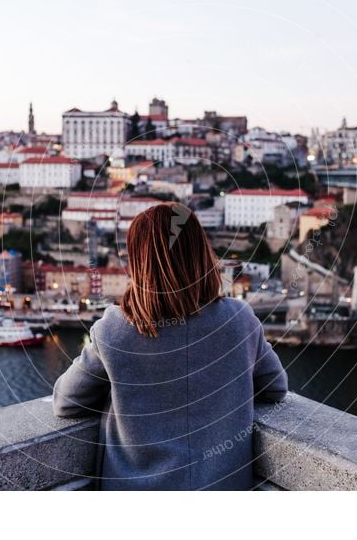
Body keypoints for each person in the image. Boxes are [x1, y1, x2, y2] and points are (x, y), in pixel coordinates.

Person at [52, 202, 288, 490]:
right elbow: (275, 388)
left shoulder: (113, 330)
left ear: (138, 262)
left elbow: (66, 402)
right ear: (201, 253)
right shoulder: (239, 320)